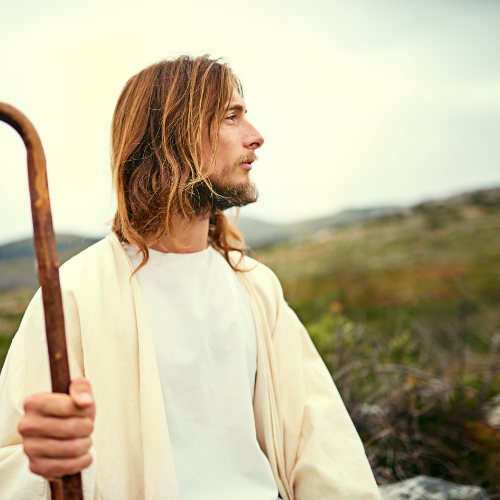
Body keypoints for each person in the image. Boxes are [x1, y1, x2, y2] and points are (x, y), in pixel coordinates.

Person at [0, 55, 382, 500]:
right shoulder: (75, 294)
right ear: (171, 138)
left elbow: (320, 440)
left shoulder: (255, 287)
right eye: (230, 117)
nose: (255, 137)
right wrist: (47, 463)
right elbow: (13, 461)